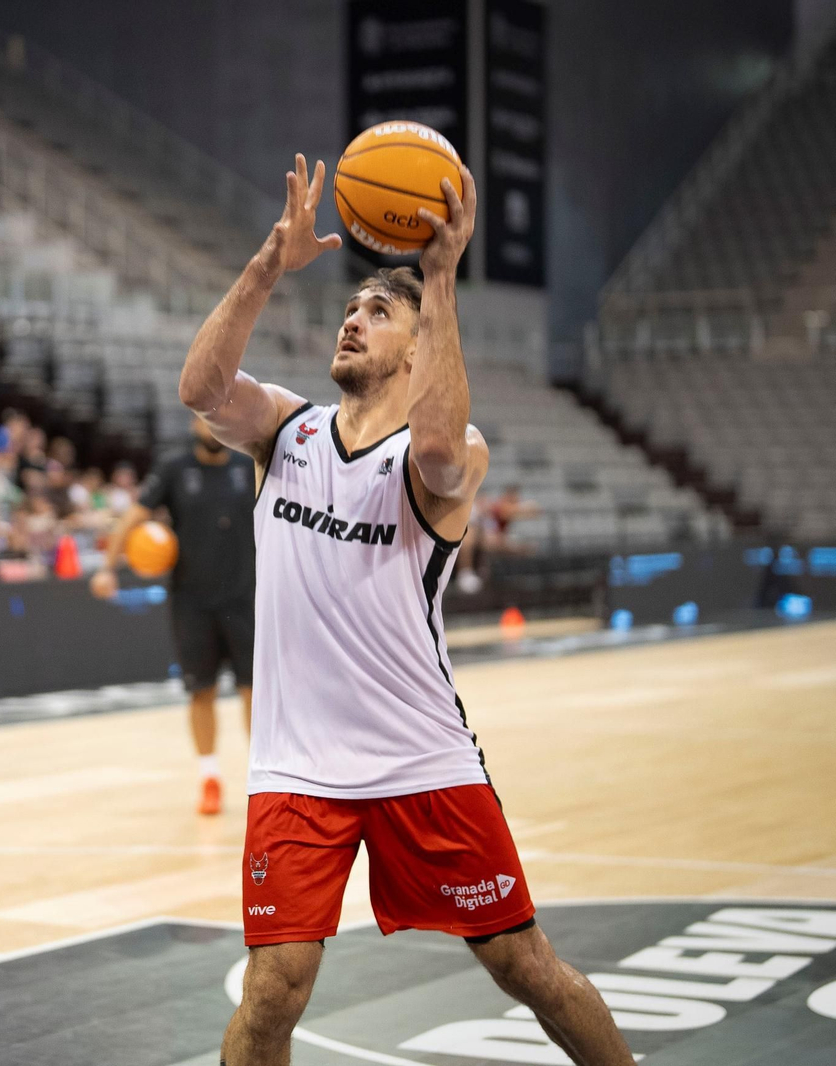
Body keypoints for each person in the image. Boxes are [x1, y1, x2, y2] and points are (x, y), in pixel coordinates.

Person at [181, 155, 635, 1066]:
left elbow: (432, 454)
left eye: (378, 313)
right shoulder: (287, 429)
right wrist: (267, 267)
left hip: (419, 755)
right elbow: (201, 392)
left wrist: (439, 279)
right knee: (273, 990)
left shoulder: (449, 451)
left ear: (419, 350)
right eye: (350, 309)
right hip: (298, 768)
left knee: (523, 963)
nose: (352, 318)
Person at [91, 415, 256, 815]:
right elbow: (134, 516)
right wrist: (108, 566)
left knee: (255, 692)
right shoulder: (174, 469)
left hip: (247, 598)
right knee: (201, 690)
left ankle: (261, 781)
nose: (210, 425)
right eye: (203, 418)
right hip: (192, 602)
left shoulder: (247, 466)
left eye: (216, 417)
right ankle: (209, 778)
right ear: (192, 423)